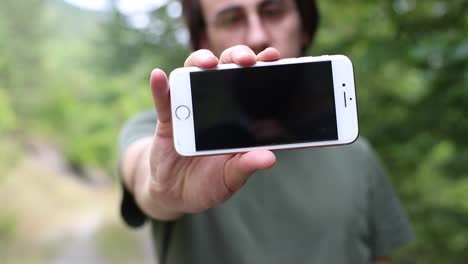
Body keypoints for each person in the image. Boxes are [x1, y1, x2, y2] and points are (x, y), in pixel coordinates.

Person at [119, 0, 414, 263]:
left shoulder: (356, 152)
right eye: (232, 18)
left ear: (304, 27)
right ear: (204, 38)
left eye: (273, 12)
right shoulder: (165, 136)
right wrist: (161, 190)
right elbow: (144, 172)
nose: (257, 35)